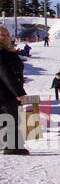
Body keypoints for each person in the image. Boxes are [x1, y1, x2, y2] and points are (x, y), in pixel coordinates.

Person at [0, 27, 30, 155]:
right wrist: (18, 92)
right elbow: (5, 73)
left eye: (7, 34)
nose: (5, 36)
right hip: (4, 91)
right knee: (9, 118)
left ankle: (6, 144)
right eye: (2, 34)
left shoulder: (7, 51)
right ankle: (12, 146)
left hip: (7, 91)